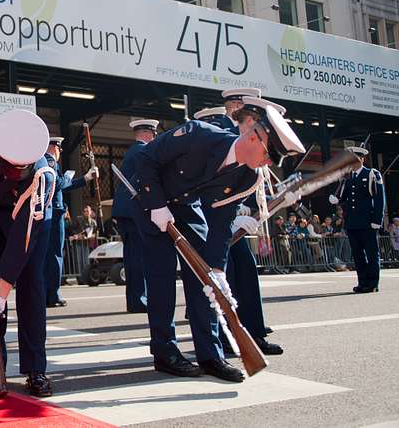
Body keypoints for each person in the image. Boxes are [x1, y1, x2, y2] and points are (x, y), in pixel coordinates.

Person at [132, 98, 303, 382]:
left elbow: (222, 225)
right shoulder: (199, 134)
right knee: (161, 278)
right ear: (253, 136)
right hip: (153, 201)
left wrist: (218, 270)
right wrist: (157, 204)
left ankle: (211, 355)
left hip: (189, 209)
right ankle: (165, 353)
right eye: (268, 153)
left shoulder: (249, 177)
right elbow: (145, 158)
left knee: (206, 282)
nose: (269, 162)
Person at [0, 109, 56, 397]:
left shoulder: (43, 176)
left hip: (30, 223)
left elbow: (22, 242)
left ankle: (35, 369)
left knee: (30, 288)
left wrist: (2, 295)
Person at [198, 99, 284, 355]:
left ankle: (255, 334)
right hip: (216, 223)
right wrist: (234, 216)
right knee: (223, 279)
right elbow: (204, 188)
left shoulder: (250, 142)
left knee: (246, 274)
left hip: (234, 223)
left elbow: (251, 187)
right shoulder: (221, 138)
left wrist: (281, 197)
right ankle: (224, 339)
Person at [111, 119, 158, 313]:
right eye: (154, 135)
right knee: (138, 257)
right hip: (133, 212)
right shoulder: (142, 151)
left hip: (125, 211)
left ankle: (135, 299)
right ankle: (139, 299)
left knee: (132, 257)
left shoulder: (133, 151)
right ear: (148, 134)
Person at [44, 136, 96, 307]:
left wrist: (85, 179)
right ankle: (52, 294)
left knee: (49, 255)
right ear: (54, 148)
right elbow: (58, 184)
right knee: (54, 255)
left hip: (51, 213)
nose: (59, 152)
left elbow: (62, 185)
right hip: (54, 213)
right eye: (59, 149)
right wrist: (67, 178)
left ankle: (48, 293)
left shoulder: (46, 162)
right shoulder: (49, 162)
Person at [330, 146, 386, 293]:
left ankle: (372, 283)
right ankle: (362, 282)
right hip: (353, 223)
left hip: (368, 222)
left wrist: (377, 219)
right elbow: (344, 196)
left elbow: (379, 198)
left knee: (372, 254)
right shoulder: (349, 177)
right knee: (358, 255)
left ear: (362, 159)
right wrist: (336, 198)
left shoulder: (372, 174)